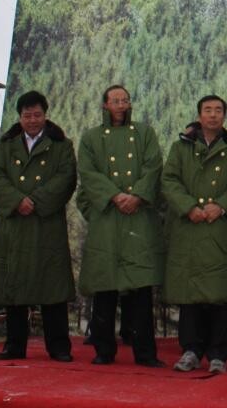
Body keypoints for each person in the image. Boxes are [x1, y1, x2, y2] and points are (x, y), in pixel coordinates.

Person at [162, 94, 227, 374]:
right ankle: (190, 350)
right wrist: (188, 206)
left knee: (219, 293)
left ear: (224, 116)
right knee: (190, 295)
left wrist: (223, 206)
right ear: (199, 114)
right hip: (190, 227)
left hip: (221, 229)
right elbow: (169, 180)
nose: (213, 115)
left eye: (218, 110)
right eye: (207, 110)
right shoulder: (182, 146)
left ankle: (219, 353)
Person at [76, 84, 166, 367]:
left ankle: (145, 353)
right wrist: (115, 196)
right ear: (105, 105)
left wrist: (137, 195)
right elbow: (88, 173)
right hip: (108, 218)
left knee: (140, 290)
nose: (121, 105)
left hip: (138, 217)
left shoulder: (144, 133)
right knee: (105, 287)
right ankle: (104, 351)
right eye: (115, 100)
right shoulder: (91, 137)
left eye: (125, 100)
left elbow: (154, 166)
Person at [0, 90, 77, 362]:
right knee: (14, 286)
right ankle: (14, 345)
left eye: (37, 114)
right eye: (27, 115)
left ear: (45, 115)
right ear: (20, 117)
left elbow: (66, 177)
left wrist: (35, 201)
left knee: (52, 289)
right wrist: (16, 200)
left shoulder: (61, 144)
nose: (33, 120)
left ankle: (59, 347)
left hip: (46, 223)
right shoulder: (6, 144)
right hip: (15, 224)